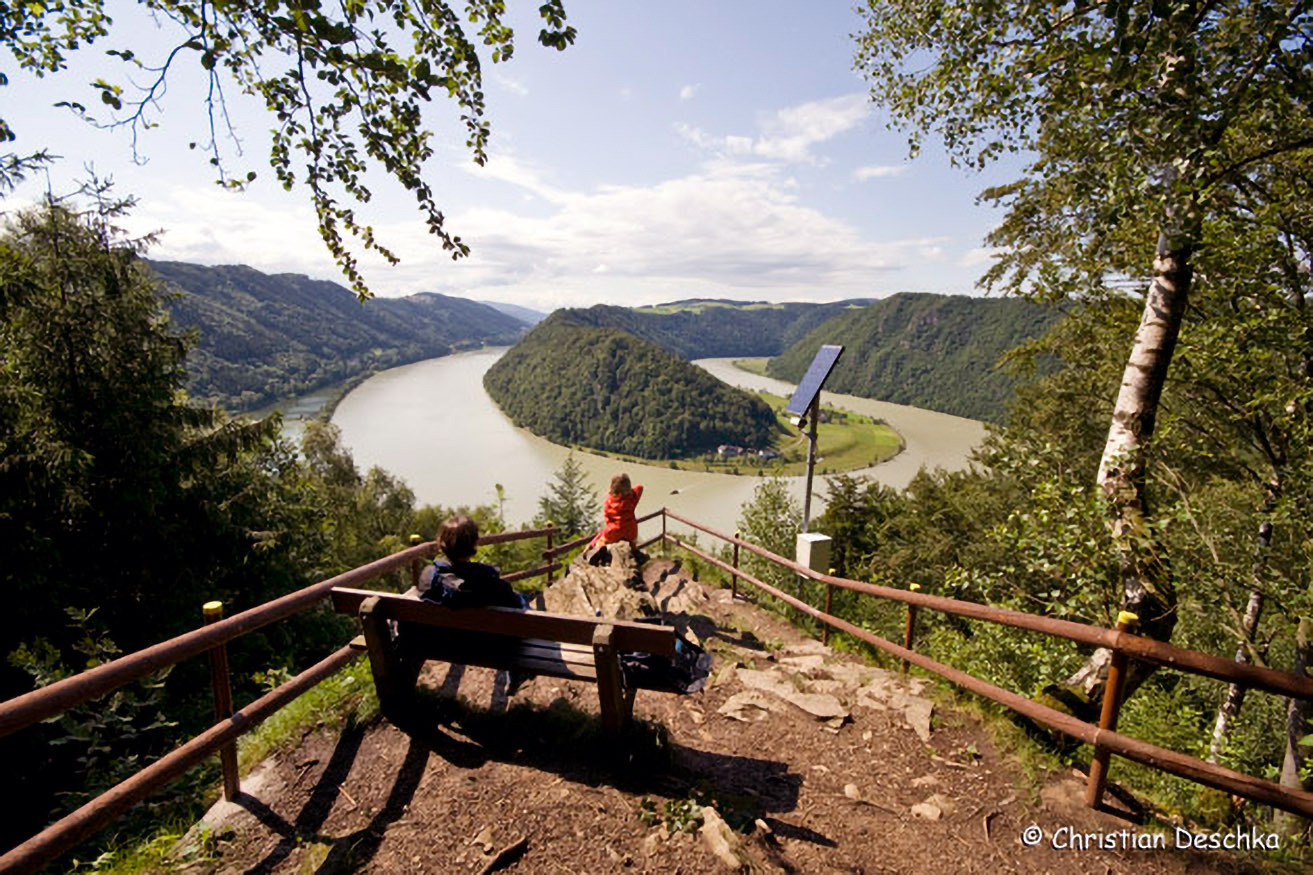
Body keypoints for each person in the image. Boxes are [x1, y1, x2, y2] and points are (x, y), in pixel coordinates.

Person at [422, 515, 526, 610]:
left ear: (441, 543)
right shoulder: (489, 582)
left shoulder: (429, 577)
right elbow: (518, 605)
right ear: (474, 544)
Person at [592, 473, 644, 551]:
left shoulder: (609, 501)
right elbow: (640, 487)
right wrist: (629, 491)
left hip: (614, 532)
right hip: (630, 532)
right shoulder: (631, 499)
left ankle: (600, 548)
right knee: (633, 542)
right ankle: (633, 548)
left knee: (599, 542)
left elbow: (607, 519)